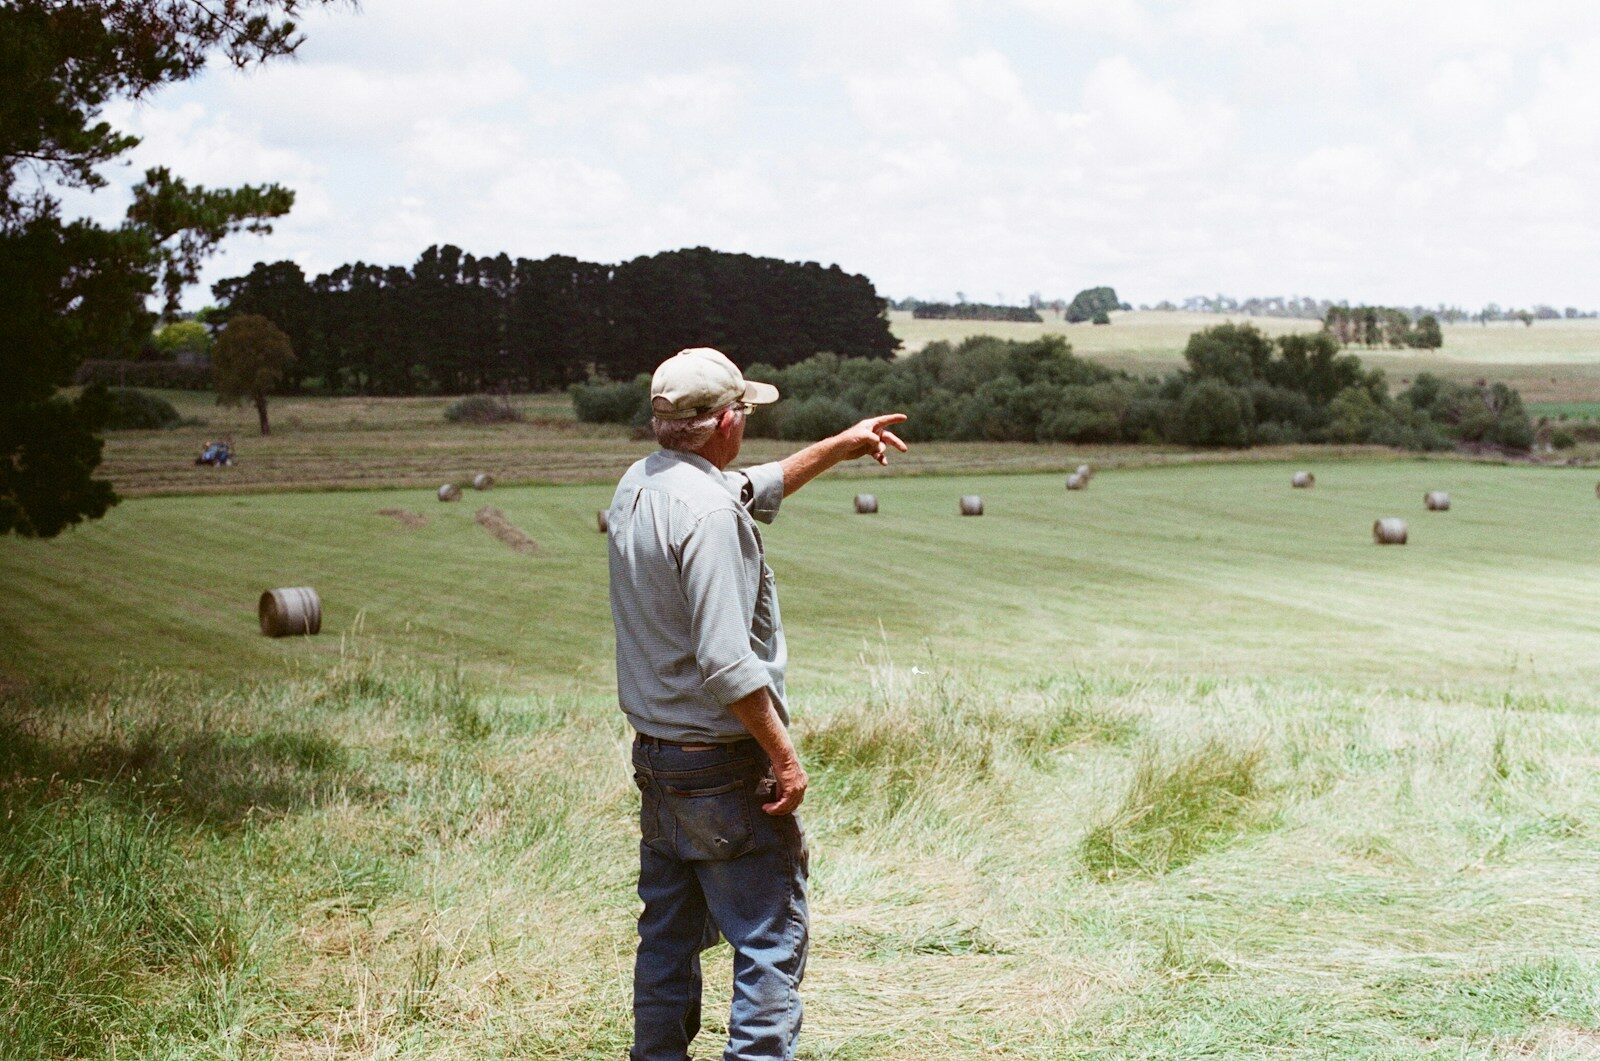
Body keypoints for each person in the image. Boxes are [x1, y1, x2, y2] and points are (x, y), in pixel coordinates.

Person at [607, 347, 907, 1061]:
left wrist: (840, 445)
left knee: (667, 939)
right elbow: (726, 661)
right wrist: (783, 752)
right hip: (721, 765)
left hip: (658, 758)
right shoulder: (709, 513)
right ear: (725, 421)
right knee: (769, 943)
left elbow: (754, 485)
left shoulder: (641, 484)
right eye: (743, 409)